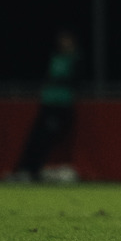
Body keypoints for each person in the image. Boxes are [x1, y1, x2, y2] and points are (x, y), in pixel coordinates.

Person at [10, 29, 81, 182]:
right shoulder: (54, 57)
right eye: (62, 39)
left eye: (67, 40)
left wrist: (58, 81)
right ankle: (25, 170)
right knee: (35, 138)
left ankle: (34, 171)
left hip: (61, 106)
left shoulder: (75, 59)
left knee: (45, 139)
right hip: (47, 104)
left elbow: (75, 81)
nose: (64, 43)